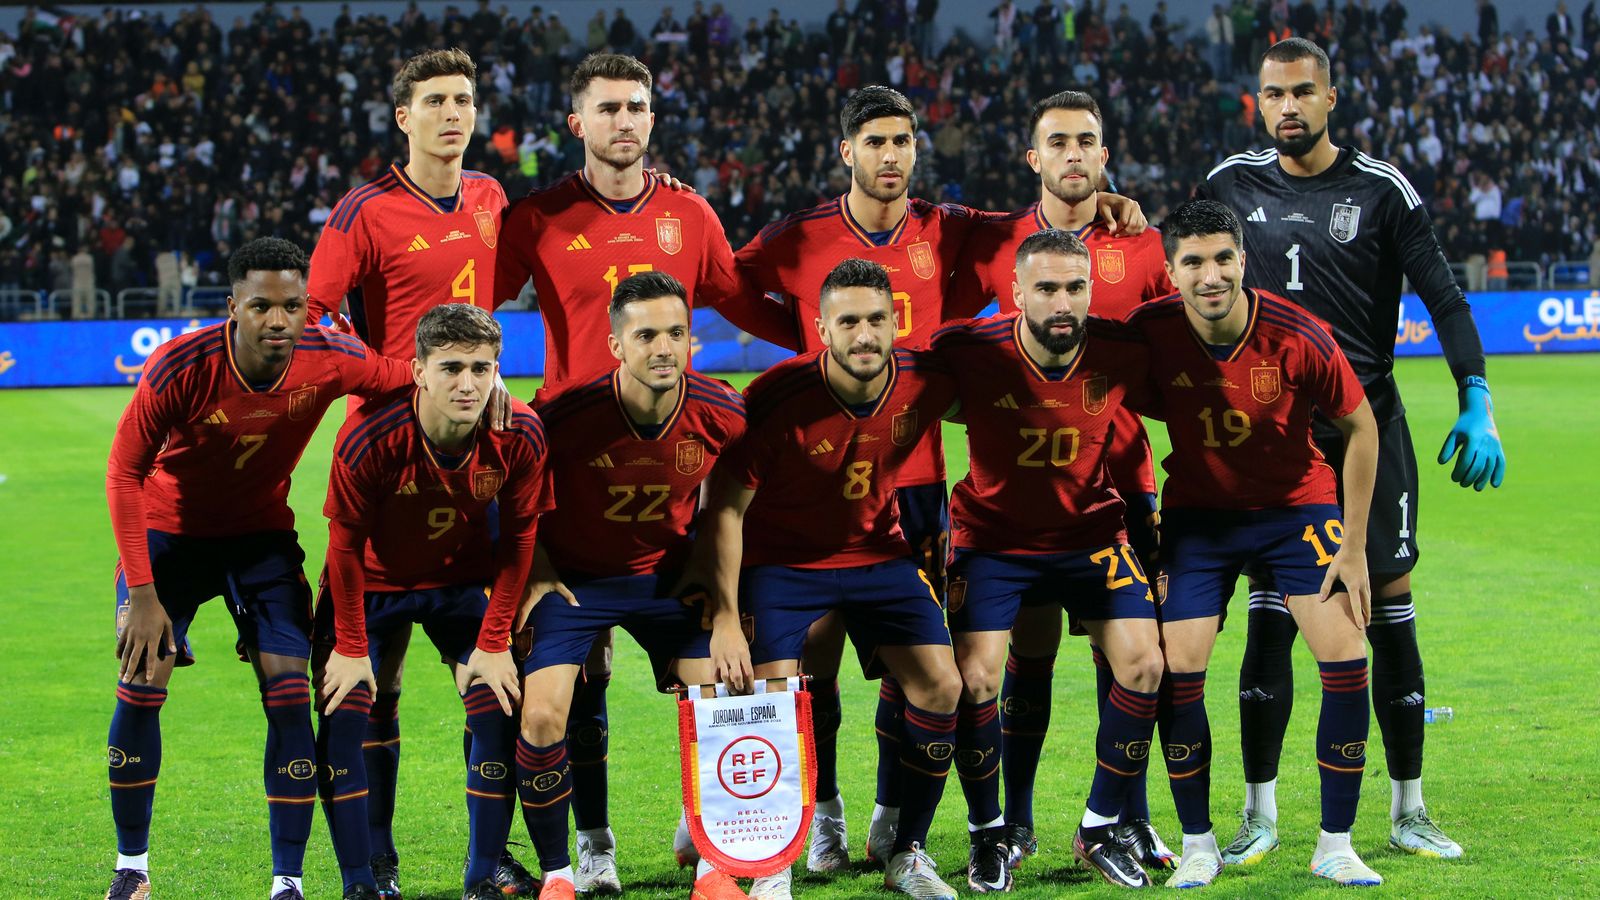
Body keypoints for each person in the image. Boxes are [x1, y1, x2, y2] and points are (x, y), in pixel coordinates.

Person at [728, 85, 1141, 871]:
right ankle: (824, 815)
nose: (891, 156)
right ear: (846, 151)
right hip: (821, 475)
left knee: (907, 662)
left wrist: (1105, 201)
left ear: (917, 151)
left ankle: (893, 818)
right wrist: (796, 332)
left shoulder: (947, 227)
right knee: (813, 655)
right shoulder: (800, 234)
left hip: (915, 481)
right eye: (875, 142)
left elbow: (1040, 219)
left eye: (902, 142)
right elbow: (730, 283)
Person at [1195, 37, 1505, 864]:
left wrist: (1477, 399)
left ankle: (1409, 809)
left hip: (1369, 425)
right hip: (1274, 438)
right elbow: (1181, 269)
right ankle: (1258, 814)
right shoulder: (1230, 183)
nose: (1287, 107)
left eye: (1302, 92)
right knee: (1272, 620)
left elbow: (1445, 296)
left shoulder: (1380, 189)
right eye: (1272, 94)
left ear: (1332, 99)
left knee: (1389, 610)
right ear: (1257, 101)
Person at [492, 52, 780, 892]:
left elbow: (738, 295)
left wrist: (832, 333)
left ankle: (713, 830)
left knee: (716, 672)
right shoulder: (538, 215)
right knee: (577, 682)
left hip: (664, 485)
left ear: (653, 120)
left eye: (639, 107)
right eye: (608, 108)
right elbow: (471, 306)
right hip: (570, 467)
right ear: (577, 123)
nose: (625, 120)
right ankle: (592, 843)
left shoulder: (689, 214)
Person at [103, 237, 413, 900]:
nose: (279, 319)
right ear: (233, 307)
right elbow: (125, 472)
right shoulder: (180, 366)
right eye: (263, 305)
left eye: (293, 306)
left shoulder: (330, 357)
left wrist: (493, 392)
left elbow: (406, 380)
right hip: (169, 537)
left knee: (289, 694)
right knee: (141, 674)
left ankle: (287, 881)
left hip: (260, 539)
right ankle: (132, 868)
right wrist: (146, 594)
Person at [305, 47, 535, 898]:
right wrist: (392, 374)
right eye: (434, 100)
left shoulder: (488, 198)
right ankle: (376, 867)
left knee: (488, 673)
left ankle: (486, 862)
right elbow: (315, 318)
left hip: (471, 443)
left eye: (464, 99)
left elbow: (485, 306)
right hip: (388, 450)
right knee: (373, 680)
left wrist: (482, 376)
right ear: (403, 117)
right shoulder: (363, 210)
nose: (452, 113)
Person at [949, 89, 1177, 873]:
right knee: (1027, 657)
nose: (1075, 154)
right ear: (1033, 157)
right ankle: (1009, 823)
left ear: (1105, 156)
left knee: (1132, 659)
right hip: (1013, 507)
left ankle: (1125, 819)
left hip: (1117, 490)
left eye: (1088, 141)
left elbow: (1170, 357)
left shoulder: (1142, 244)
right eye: (1059, 141)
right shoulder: (995, 241)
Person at [1127, 199, 1382, 888]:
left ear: (1243, 258)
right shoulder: (1147, 333)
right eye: (1193, 262)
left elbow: (1361, 427)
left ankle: (1336, 843)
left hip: (1296, 507)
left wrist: (1353, 547)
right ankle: (1199, 842)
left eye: (1222, 258)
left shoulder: (1299, 334)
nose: (1210, 275)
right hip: (1200, 518)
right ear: (1171, 270)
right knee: (1181, 665)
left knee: (1346, 651)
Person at [700, 258, 964, 900]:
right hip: (783, 566)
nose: (865, 334)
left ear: (896, 321)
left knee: (942, 686)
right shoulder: (776, 397)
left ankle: (908, 852)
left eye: (877, 319)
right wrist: (727, 618)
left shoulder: (924, 381)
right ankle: (774, 859)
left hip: (879, 556)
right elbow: (723, 504)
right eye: (849, 321)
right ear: (822, 328)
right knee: (772, 699)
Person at [512, 272, 752, 900]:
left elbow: (728, 505)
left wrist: (725, 607)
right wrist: (536, 567)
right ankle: (563, 872)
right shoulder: (563, 415)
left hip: (666, 583)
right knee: (541, 717)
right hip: (578, 583)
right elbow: (513, 494)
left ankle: (713, 863)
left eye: (677, 332)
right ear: (616, 344)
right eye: (646, 335)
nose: (664, 348)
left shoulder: (723, 411)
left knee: (723, 701)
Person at [314, 304, 549, 900]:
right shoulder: (370, 436)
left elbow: (521, 541)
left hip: (458, 586)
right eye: (450, 368)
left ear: (498, 369)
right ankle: (366, 876)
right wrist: (348, 646)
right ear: (417, 370)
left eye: (481, 368)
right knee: (350, 709)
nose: (467, 384)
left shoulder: (518, 433)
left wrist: (494, 644)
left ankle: (482, 874)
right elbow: (342, 548)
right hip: (369, 583)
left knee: (496, 702)